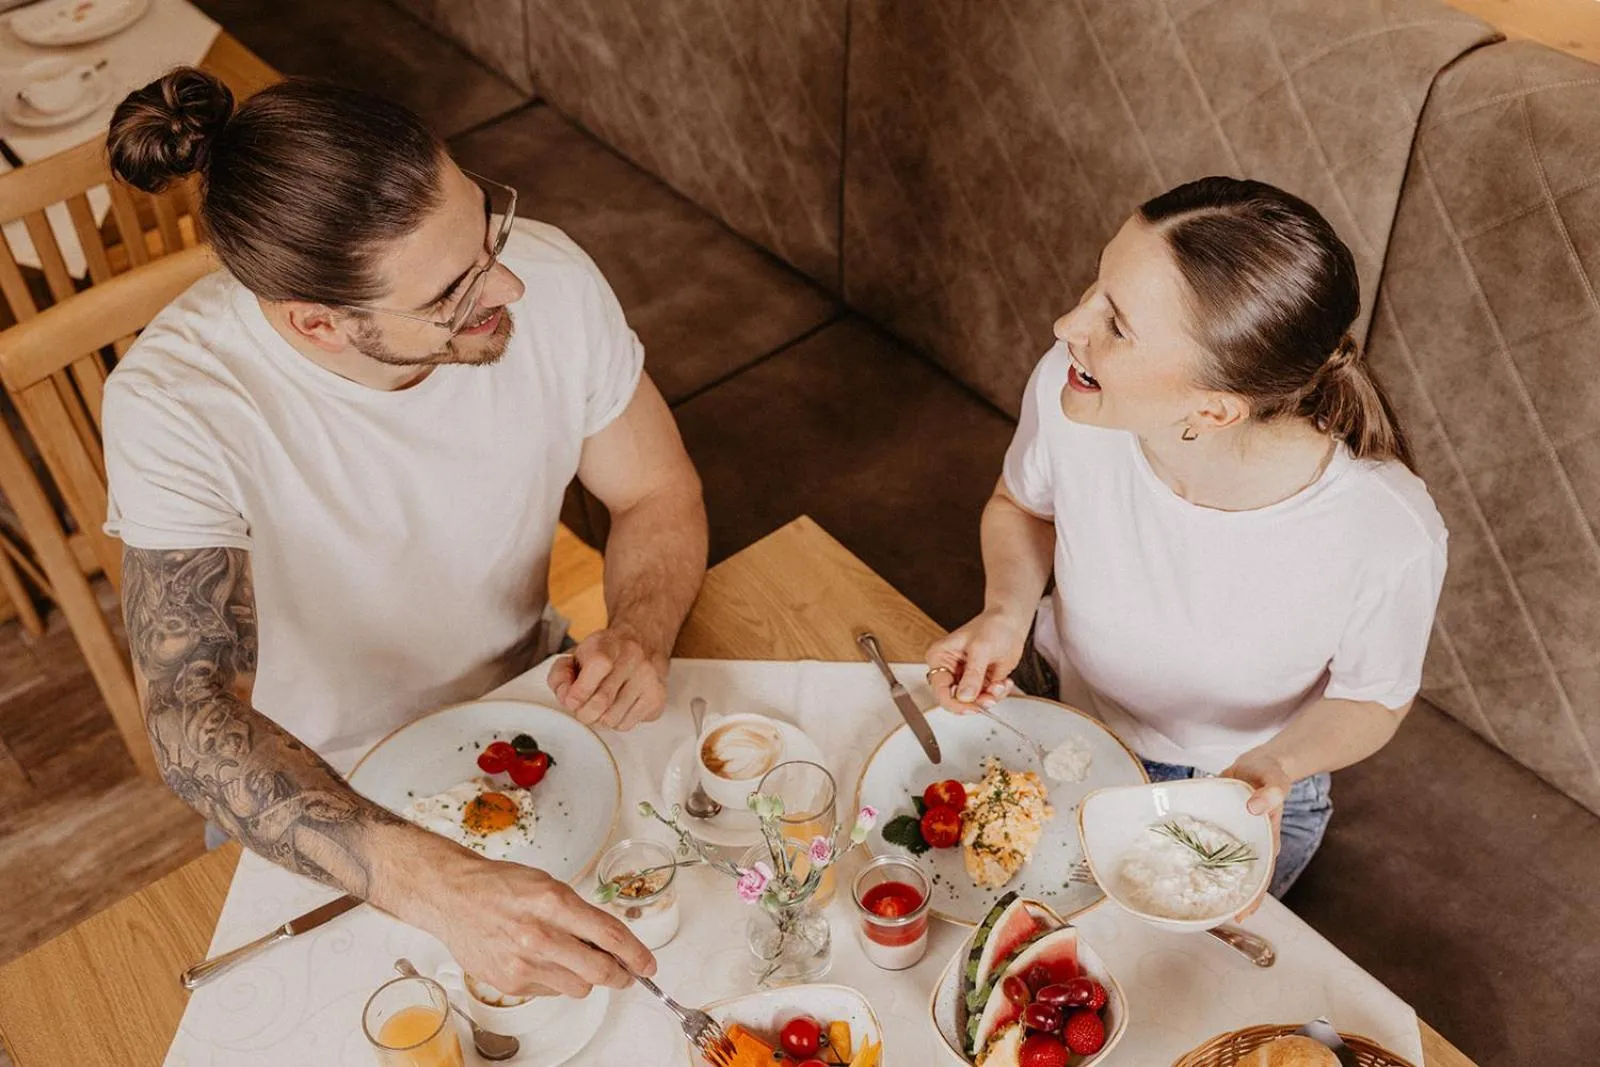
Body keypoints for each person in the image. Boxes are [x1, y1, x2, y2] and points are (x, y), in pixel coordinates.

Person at [101, 69, 708, 997]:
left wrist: (641, 627)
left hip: (534, 708)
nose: (507, 280)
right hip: (322, 801)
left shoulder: (544, 279)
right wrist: (441, 886)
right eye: (454, 290)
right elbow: (188, 716)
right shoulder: (175, 401)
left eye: (486, 226)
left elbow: (657, 493)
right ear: (318, 324)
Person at [926, 177, 1447, 903]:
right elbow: (1021, 505)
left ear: (1215, 409)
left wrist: (1279, 760)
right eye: (1095, 288)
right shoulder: (1073, 389)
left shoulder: (1387, 532)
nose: (1065, 324)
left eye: (1118, 325)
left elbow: (1376, 698)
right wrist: (1005, 614)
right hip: (1062, 720)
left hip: (1227, 802)